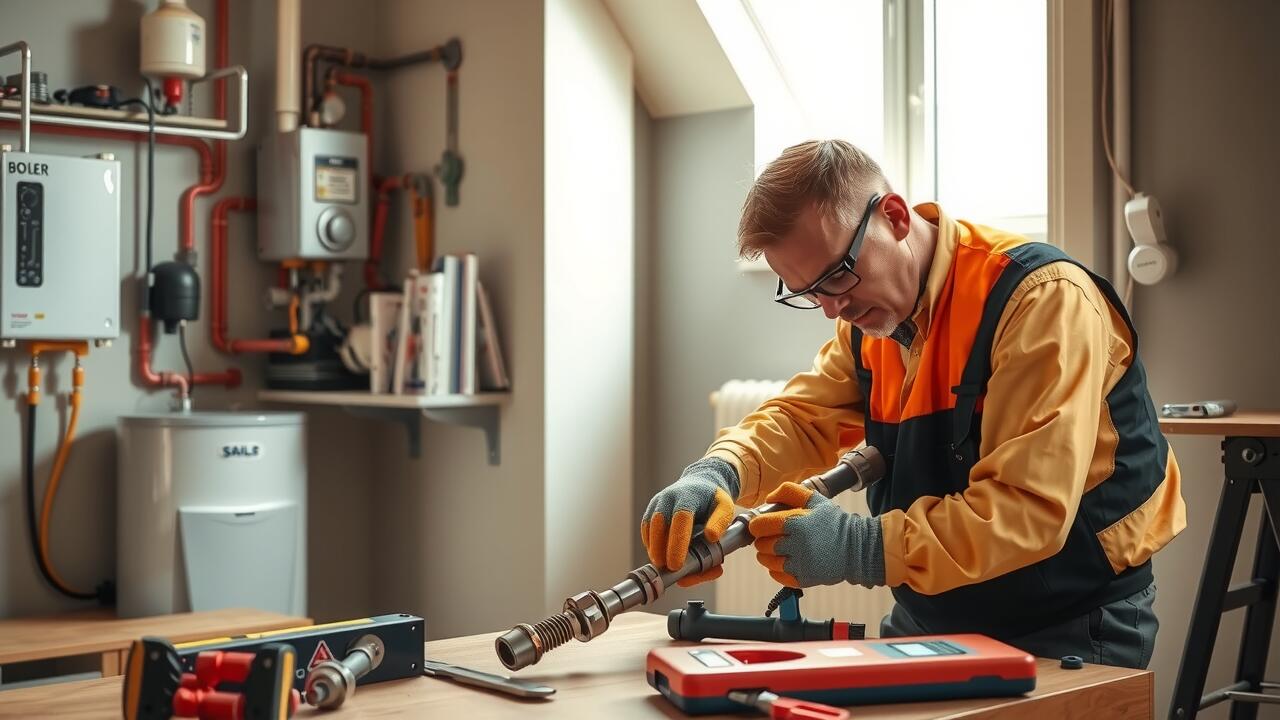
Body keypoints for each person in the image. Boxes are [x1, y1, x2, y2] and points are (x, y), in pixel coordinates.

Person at [640, 139, 1186, 669]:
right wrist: (719, 472)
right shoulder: (870, 326)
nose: (834, 309)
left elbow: (1028, 508)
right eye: (809, 292)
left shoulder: (1039, 299)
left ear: (895, 217)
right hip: (931, 611)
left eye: (837, 275)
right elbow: (799, 417)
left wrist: (861, 547)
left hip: (1067, 619)